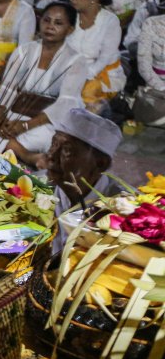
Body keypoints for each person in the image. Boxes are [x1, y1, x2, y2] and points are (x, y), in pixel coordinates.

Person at [0, 2, 86, 166]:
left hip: (48, 122)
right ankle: (26, 155)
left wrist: (26, 125)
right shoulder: (24, 51)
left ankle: (5, 146)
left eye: (58, 23)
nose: (50, 27)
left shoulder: (76, 60)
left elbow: (65, 104)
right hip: (15, 115)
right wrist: (1, 120)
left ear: (70, 29)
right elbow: (7, 88)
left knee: (47, 138)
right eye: (46, 20)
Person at [46, 108, 122, 254]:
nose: (51, 156)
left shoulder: (121, 209)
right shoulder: (37, 189)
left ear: (101, 164)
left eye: (67, 150)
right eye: (54, 144)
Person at [67, 0, 126, 109]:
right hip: (71, 71)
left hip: (100, 74)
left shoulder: (110, 21)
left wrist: (84, 77)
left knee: (86, 93)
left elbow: (105, 58)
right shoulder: (70, 16)